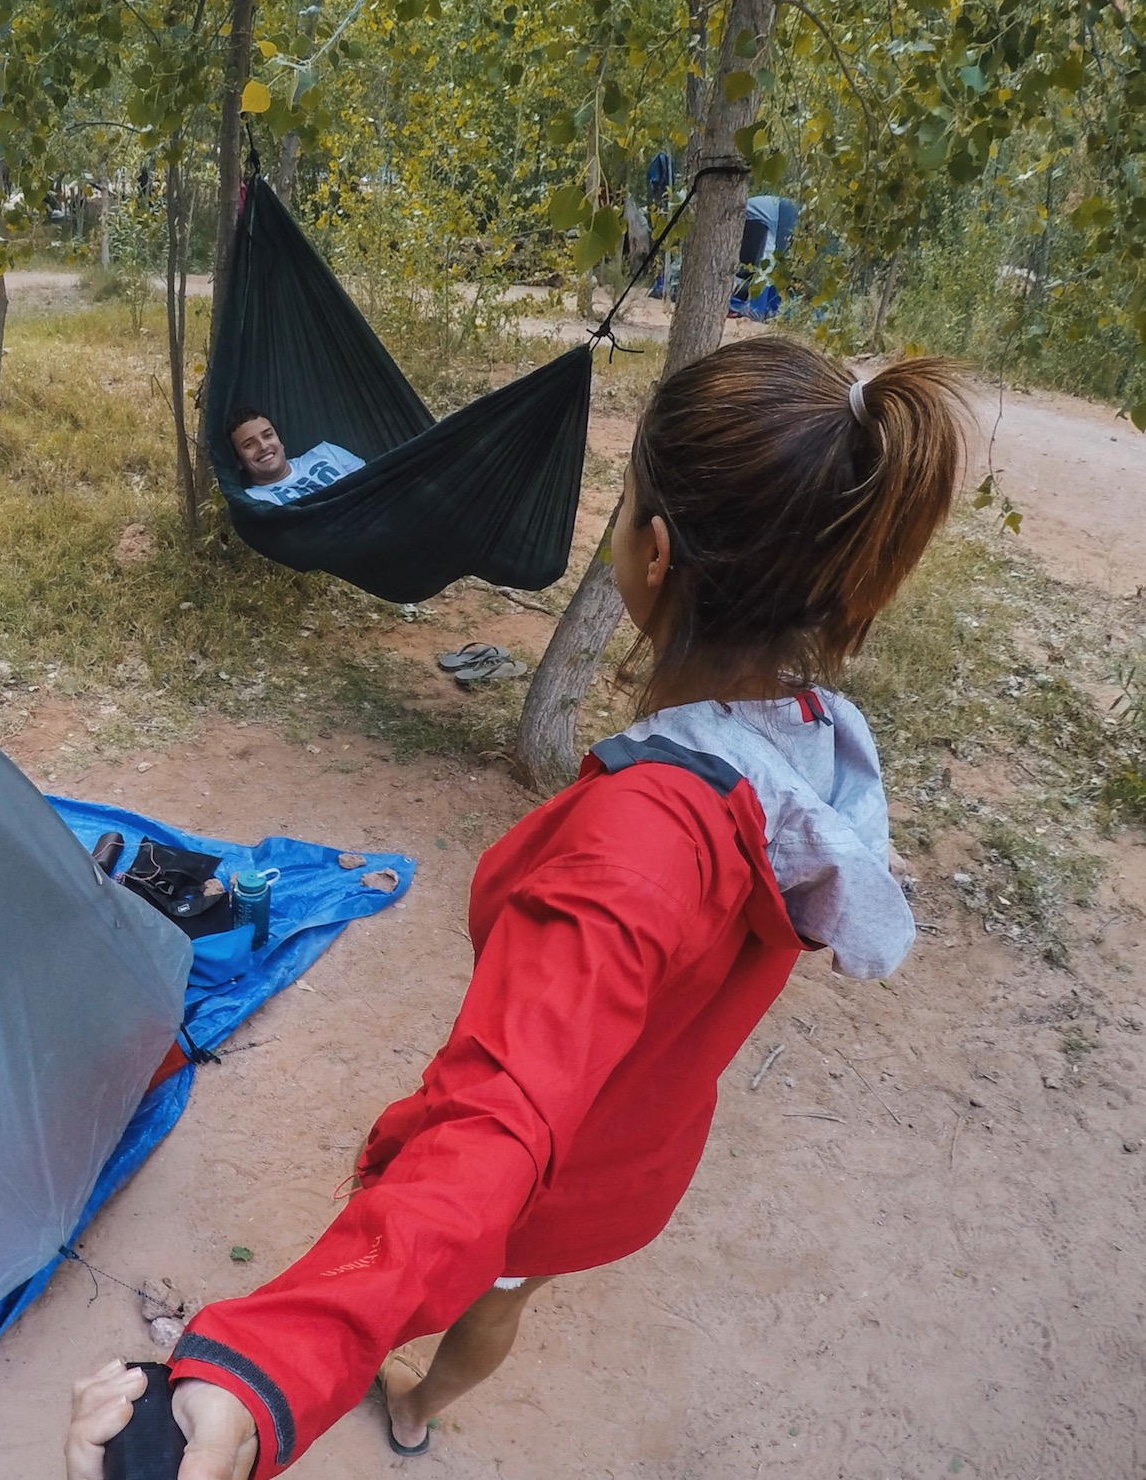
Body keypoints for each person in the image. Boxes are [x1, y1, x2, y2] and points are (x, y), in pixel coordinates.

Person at [67, 337, 969, 1480]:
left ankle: (404, 1394)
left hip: (551, 1168)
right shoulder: (811, 759)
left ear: (652, 552)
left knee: (495, 1262)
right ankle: (419, 1407)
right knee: (510, 1290)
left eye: (622, 497)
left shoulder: (640, 837)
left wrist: (263, 1373)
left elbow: (495, 1134)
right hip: (640, 1151)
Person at [227, 407, 364, 505]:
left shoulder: (327, 452)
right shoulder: (254, 499)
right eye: (249, 445)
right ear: (238, 461)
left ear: (281, 442)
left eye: (268, 436)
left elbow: (374, 484)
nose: (263, 446)